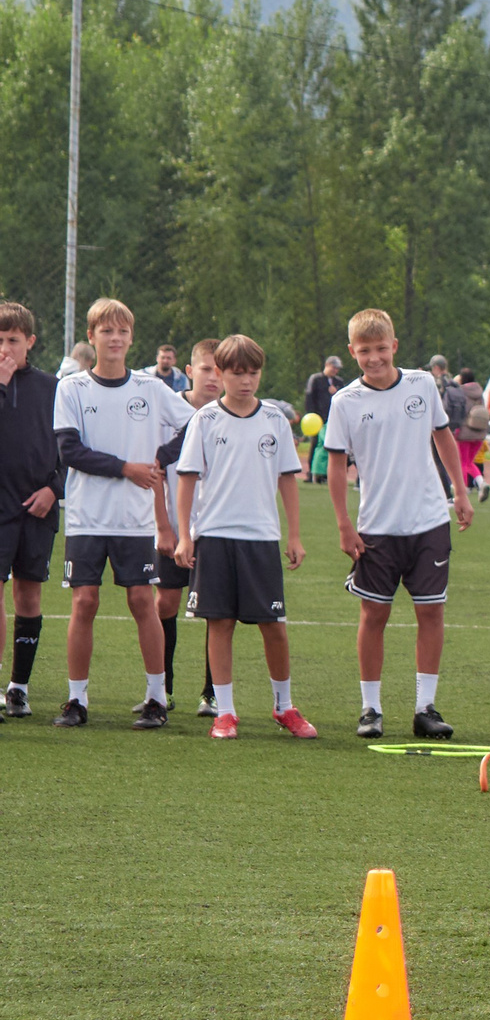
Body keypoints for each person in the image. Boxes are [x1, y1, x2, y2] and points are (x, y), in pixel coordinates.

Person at [326, 310, 473, 739]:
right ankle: (370, 709)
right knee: (374, 614)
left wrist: (460, 492)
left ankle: (425, 708)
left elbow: (443, 436)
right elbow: (336, 466)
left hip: (429, 521)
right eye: (364, 350)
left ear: (394, 345)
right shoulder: (345, 401)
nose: (374, 357)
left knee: (431, 612)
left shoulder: (422, 384)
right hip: (377, 526)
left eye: (380, 348)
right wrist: (343, 524)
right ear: (352, 352)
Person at [48, 297, 190, 728]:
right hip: (86, 517)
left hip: (135, 518)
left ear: (131, 338)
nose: (115, 338)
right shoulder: (72, 388)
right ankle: (76, 700)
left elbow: (195, 426)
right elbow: (70, 451)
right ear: (91, 337)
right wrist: (127, 468)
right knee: (84, 602)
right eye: (106, 331)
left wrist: (159, 460)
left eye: (122, 331)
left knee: (142, 600)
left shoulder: (151, 388)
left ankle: (156, 699)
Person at [169, 335, 315, 740]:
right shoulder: (205, 420)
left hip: (261, 538)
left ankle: (284, 707)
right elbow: (186, 480)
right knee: (220, 624)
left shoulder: (274, 419)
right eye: (237, 373)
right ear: (220, 374)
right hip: (215, 536)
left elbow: (288, 479)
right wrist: (185, 536)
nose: (246, 381)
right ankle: (225, 712)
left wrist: (294, 535)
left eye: (253, 373)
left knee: (274, 625)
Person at [153, 340, 221, 718]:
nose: (213, 377)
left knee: (215, 610)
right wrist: (164, 527)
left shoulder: (231, 414)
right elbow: (155, 471)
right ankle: (162, 687)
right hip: (173, 529)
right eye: (206, 369)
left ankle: (211, 693)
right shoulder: (167, 413)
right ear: (190, 371)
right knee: (165, 602)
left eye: (219, 370)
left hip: (213, 530)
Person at [0, 301, 59, 720]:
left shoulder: (53, 388)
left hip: (37, 508)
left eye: (13, 340)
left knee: (28, 593)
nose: (5, 348)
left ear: (30, 342)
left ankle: (18, 688)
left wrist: (54, 490)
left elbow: (70, 446)